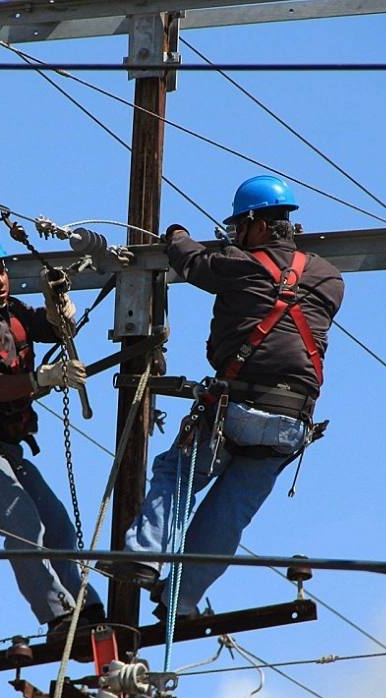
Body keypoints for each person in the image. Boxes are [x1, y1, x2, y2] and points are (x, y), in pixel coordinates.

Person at [101, 176, 345, 619]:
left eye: (238, 228)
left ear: (255, 224)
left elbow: (191, 260)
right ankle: (182, 598)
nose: (234, 237)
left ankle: (142, 554)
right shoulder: (330, 279)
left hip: (235, 408)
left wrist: (175, 234)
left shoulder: (239, 264)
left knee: (177, 475)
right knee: (229, 512)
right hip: (291, 422)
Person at [0, 227, 104, 639]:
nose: (0, 280)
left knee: (58, 525)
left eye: (2, 270)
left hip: (6, 449)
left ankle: (86, 606)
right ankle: (58, 615)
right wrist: (43, 378)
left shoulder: (11, 314)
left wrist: (58, 302)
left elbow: (54, 328)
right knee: (23, 522)